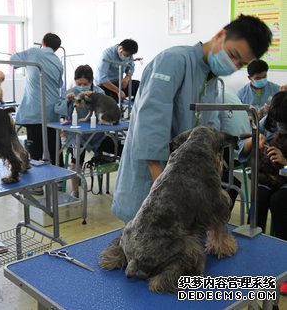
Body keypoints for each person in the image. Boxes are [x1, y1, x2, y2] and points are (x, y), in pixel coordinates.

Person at [112, 15, 272, 223]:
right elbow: (151, 121)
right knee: (142, 237)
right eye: (233, 55)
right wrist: (160, 182)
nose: (233, 65)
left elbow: (209, 130)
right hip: (152, 177)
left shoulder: (211, 79)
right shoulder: (174, 61)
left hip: (182, 178)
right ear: (220, 36)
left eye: (240, 64)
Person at [11, 33, 65, 195]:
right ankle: (59, 179)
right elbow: (59, 83)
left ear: (43, 42)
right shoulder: (57, 61)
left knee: (35, 150)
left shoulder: (34, 52)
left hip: (35, 110)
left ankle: (35, 185)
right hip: (52, 111)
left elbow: (13, 60)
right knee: (54, 145)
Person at [237, 90, 287, 243]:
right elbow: (240, 146)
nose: (279, 126)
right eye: (277, 121)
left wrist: (285, 162)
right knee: (259, 197)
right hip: (267, 177)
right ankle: (251, 244)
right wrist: (253, 141)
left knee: (279, 201)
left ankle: (282, 245)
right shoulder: (267, 121)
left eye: (283, 122)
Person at [64, 65, 106, 198]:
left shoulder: (99, 92)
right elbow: (60, 111)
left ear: (91, 81)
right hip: (77, 135)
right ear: (75, 81)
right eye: (79, 83)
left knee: (115, 149)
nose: (82, 86)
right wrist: (68, 101)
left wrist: (96, 98)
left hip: (96, 134)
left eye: (85, 84)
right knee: (76, 159)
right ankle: (75, 190)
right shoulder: (71, 92)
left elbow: (105, 110)